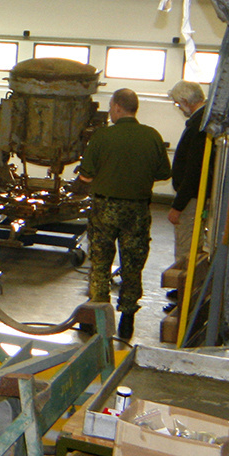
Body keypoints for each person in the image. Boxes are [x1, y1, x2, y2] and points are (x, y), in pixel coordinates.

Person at [75, 88, 172, 340]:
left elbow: (85, 175)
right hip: (137, 210)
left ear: (118, 107)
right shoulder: (152, 136)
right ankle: (127, 319)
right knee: (132, 264)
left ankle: (96, 318)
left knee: (100, 262)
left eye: (111, 106)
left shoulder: (102, 137)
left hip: (104, 209)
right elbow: (164, 174)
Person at [164, 81, 209, 299]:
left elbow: (193, 171)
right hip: (198, 196)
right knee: (195, 245)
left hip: (191, 199)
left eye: (176, 104)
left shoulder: (198, 126)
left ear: (185, 102)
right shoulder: (204, 121)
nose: (178, 108)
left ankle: (184, 295)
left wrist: (177, 207)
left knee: (186, 248)